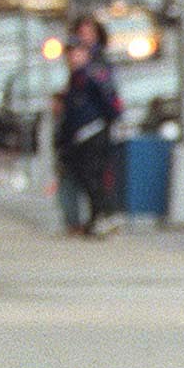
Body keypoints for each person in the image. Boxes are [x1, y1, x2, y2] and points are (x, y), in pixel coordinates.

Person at [55, 23, 124, 237]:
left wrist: (109, 121)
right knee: (86, 178)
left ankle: (105, 214)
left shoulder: (91, 75)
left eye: (77, 53)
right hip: (79, 135)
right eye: (70, 54)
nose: (73, 58)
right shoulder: (76, 77)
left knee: (93, 177)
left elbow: (109, 102)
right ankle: (96, 219)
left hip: (93, 132)